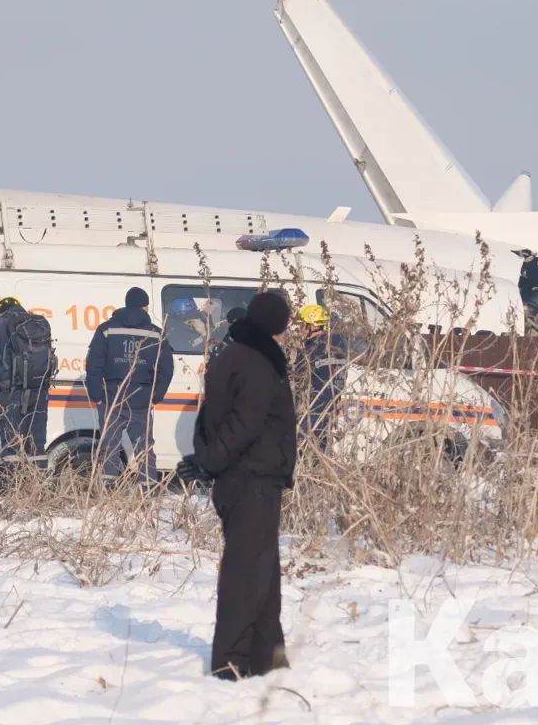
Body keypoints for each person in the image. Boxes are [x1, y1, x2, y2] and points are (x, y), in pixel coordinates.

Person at [185, 291, 297, 680]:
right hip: (252, 479)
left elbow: (207, 416)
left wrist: (205, 457)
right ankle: (231, 662)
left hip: (247, 478)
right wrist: (209, 461)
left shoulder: (230, 353)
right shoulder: (258, 363)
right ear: (277, 326)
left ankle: (269, 656)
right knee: (245, 573)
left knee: (263, 570)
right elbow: (244, 424)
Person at [85, 286, 174, 484]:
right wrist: (155, 396)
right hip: (142, 400)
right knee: (144, 449)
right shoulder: (156, 333)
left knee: (109, 447)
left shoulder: (106, 329)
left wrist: (96, 395)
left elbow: (94, 364)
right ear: (145, 306)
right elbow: (166, 369)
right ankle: (147, 490)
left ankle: (108, 492)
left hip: (112, 397)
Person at [0, 296, 56, 472]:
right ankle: (36, 488)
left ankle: (14, 487)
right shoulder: (39, 324)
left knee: (12, 443)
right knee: (37, 443)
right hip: (38, 391)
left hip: (11, 392)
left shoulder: (0, 324)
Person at [295, 304, 351, 450]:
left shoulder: (312, 349)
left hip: (313, 411)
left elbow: (296, 375)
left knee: (305, 452)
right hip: (330, 409)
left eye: (302, 325)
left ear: (312, 326)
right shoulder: (339, 345)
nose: (300, 329)